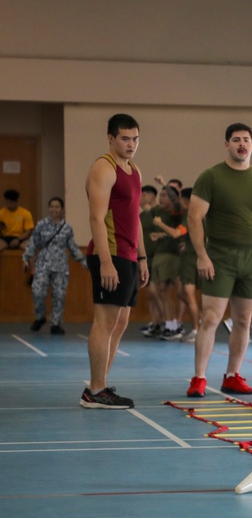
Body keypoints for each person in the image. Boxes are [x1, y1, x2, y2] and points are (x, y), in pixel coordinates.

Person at [185, 123, 252, 398]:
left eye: (246, 140)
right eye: (236, 140)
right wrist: (202, 256)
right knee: (210, 318)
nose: (241, 144)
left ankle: (232, 375)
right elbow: (195, 217)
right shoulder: (211, 177)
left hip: (251, 257)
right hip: (219, 255)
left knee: (244, 319)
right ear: (227, 145)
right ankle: (199, 377)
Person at [81, 113, 149, 409]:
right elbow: (96, 217)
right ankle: (95, 390)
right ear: (111, 138)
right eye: (125, 138)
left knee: (120, 322)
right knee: (105, 321)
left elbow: (136, 218)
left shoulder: (134, 170)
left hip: (130, 255)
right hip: (110, 253)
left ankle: (102, 384)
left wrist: (143, 257)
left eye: (135, 138)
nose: (131, 144)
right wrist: (106, 262)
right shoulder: (103, 168)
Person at [22, 196, 87, 334]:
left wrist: (83, 261)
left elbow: (72, 247)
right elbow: (33, 243)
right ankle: (40, 317)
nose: (54, 209)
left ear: (62, 209)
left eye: (57, 207)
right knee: (37, 291)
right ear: (49, 208)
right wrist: (25, 258)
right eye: (51, 207)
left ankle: (55, 324)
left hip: (60, 267)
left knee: (59, 295)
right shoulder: (41, 224)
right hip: (43, 265)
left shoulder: (67, 228)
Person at [150, 185, 185, 339]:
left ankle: (173, 325)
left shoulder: (175, 212)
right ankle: (168, 323)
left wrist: (164, 183)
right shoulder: (159, 212)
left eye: (164, 195)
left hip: (171, 256)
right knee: (160, 290)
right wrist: (160, 234)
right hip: (159, 254)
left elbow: (176, 202)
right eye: (160, 195)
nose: (161, 198)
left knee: (165, 288)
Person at [137, 184, 164, 336]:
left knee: (156, 291)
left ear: (151, 196)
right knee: (149, 292)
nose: (140, 198)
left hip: (159, 255)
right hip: (146, 257)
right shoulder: (140, 216)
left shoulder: (158, 212)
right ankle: (155, 322)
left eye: (143, 195)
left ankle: (164, 321)